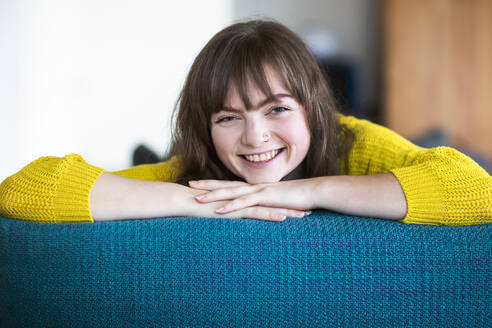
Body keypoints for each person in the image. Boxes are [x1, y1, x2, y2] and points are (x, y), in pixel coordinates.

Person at [0, 20, 490, 225]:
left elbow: (474, 189)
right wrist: (192, 198)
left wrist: (306, 190)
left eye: (277, 108)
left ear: (313, 111)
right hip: (202, 165)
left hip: (334, 157)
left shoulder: (353, 140)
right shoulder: (195, 166)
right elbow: (23, 189)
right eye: (229, 117)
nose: (255, 135)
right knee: (152, 162)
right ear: (206, 126)